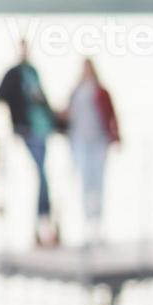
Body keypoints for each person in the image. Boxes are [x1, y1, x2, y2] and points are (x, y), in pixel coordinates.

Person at [0, 38, 60, 248]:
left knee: (44, 176)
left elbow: (43, 100)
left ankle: (43, 224)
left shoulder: (33, 72)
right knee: (42, 176)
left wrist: (57, 121)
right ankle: (42, 224)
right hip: (27, 131)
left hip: (42, 130)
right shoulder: (14, 73)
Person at [62, 57, 121, 246]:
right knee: (86, 183)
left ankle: (99, 224)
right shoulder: (76, 91)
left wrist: (116, 136)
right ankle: (88, 225)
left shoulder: (100, 90)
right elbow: (67, 115)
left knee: (98, 182)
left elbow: (111, 113)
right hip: (81, 142)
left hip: (99, 141)